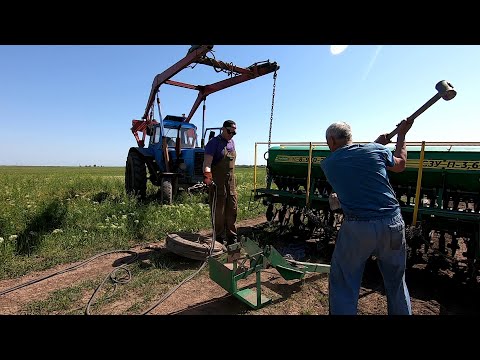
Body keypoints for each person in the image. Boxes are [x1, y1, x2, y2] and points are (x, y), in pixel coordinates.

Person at [320, 119, 414, 315]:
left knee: (345, 281)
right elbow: (400, 164)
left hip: (358, 228)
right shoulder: (375, 151)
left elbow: (355, 162)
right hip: (392, 224)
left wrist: (377, 145)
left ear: (331, 140)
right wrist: (402, 135)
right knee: (396, 281)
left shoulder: (328, 164)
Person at [202, 120, 238, 245]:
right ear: (223, 129)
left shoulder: (231, 142)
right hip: (218, 183)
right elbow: (207, 164)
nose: (231, 135)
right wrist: (207, 176)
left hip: (231, 182)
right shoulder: (213, 143)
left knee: (232, 210)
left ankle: (232, 239)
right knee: (219, 212)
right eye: (230, 132)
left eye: (234, 133)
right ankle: (219, 240)